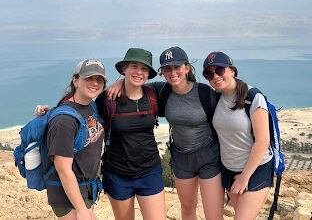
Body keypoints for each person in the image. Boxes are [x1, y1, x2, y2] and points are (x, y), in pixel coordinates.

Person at [107, 47, 224, 220]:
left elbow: (227, 112)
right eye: (167, 69)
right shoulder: (163, 91)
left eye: (176, 67)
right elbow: (136, 84)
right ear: (162, 72)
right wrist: (119, 82)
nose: (172, 72)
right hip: (181, 158)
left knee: (214, 215)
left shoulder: (204, 93)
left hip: (209, 157)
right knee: (187, 210)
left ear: (187, 68)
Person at [95, 48, 166, 220]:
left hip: (150, 171)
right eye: (134, 66)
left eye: (144, 69)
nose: (139, 72)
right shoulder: (107, 99)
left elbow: (181, 86)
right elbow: (81, 112)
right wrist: (49, 113)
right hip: (118, 173)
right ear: (124, 68)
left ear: (148, 74)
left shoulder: (153, 94)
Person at [202, 52, 274, 219]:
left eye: (220, 70)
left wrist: (244, 178)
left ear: (232, 70)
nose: (215, 76)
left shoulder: (252, 97)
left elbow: (263, 141)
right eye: (209, 74)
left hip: (255, 169)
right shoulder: (217, 97)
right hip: (229, 169)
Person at [45, 59, 107, 220]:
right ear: (75, 80)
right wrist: (81, 209)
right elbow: (63, 170)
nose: (95, 83)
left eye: (99, 79)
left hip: (85, 188)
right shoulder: (64, 121)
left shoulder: (90, 106)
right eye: (89, 78)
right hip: (67, 194)